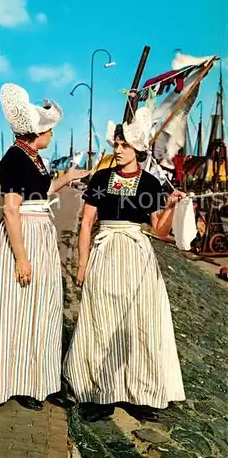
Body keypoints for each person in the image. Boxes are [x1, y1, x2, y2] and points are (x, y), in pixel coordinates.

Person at [0, 83, 88, 410]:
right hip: (23, 237)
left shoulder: (34, 158)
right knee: (19, 311)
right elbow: (11, 209)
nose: (52, 136)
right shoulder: (14, 160)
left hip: (42, 235)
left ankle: (43, 379)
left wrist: (69, 176)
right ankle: (17, 382)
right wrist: (21, 258)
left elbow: (43, 191)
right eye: (50, 131)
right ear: (38, 133)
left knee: (45, 308)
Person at [63, 116, 186, 422]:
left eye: (124, 144)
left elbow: (159, 230)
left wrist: (170, 206)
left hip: (137, 256)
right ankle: (99, 394)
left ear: (138, 148)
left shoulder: (150, 183)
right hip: (104, 253)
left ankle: (141, 394)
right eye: (116, 143)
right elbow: (87, 223)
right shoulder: (101, 179)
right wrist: (82, 263)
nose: (117, 149)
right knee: (100, 319)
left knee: (140, 322)